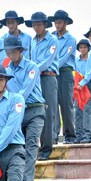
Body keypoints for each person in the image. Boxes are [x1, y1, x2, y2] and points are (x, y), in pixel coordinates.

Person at [0, 36, 45, 181]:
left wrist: (14, 103)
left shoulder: (32, 67)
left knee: (32, 146)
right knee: (20, 149)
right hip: (19, 113)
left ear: (20, 51)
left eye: (13, 51)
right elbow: (8, 92)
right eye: (8, 52)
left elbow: (25, 91)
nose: (11, 54)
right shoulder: (7, 71)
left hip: (34, 110)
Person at [25, 12, 58, 160]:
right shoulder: (32, 41)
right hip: (35, 78)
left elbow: (48, 60)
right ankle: (38, 146)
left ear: (45, 24)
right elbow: (30, 59)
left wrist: (32, 70)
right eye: (34, 25)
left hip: (48, 77)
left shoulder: (52, 40)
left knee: (48, 112)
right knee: (36, 111)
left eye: (39, 24)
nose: (36, 27)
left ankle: (46, 148)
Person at [49, 10, 77, 144]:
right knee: (53, 105)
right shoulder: (51, 37)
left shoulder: (70, 39)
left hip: (65, 72)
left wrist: (50, 66)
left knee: (66, 105)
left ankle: (70, 135)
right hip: (53, 73)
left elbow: (64, 58)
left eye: (59, 22)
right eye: (55, 22)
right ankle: (53, 136)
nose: (57, 24)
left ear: (65, 23)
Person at [74, 39, 91, 143]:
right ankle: (78, 134)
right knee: (78, 111)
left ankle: (87, 134)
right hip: (78, 88)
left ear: (88, 48)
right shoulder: (76, 60)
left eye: (85, 47)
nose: (82, 49)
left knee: (88, 111)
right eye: (80, 47)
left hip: (88, 87)